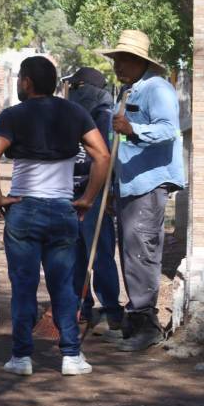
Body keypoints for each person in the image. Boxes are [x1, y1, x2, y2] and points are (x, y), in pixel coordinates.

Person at [0, 56, 110, 376]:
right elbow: (102, 155)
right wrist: (87, 199)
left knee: (24, 286)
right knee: (63, 286)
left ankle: (21, 358)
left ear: (26, 82)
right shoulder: (75, 112)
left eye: (19, 79)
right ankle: (71, 356)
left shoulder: (12, 116)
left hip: (23, 209)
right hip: (62, 209)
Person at [97, 30, 185, 352]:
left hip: (149, 184)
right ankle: (133, 323)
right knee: (130, 252)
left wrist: (133, 128)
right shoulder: (127, 90)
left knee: (142, 252)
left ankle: (147, 328)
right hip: (128, 184)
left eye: (124, 60)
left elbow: (167, 130)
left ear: (140, 62)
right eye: (116, 59)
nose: (118, 65)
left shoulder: (157, 88)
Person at [67, 67, 123, 339]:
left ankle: (111, 309)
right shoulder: (66, 114)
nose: (72, 92)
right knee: (76, 254)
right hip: (70, 191)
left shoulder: (104, 115)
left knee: (99, 253)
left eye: (75, 86)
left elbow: (108, 156)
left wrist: (107, 190)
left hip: (94, 192)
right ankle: (82, 306)